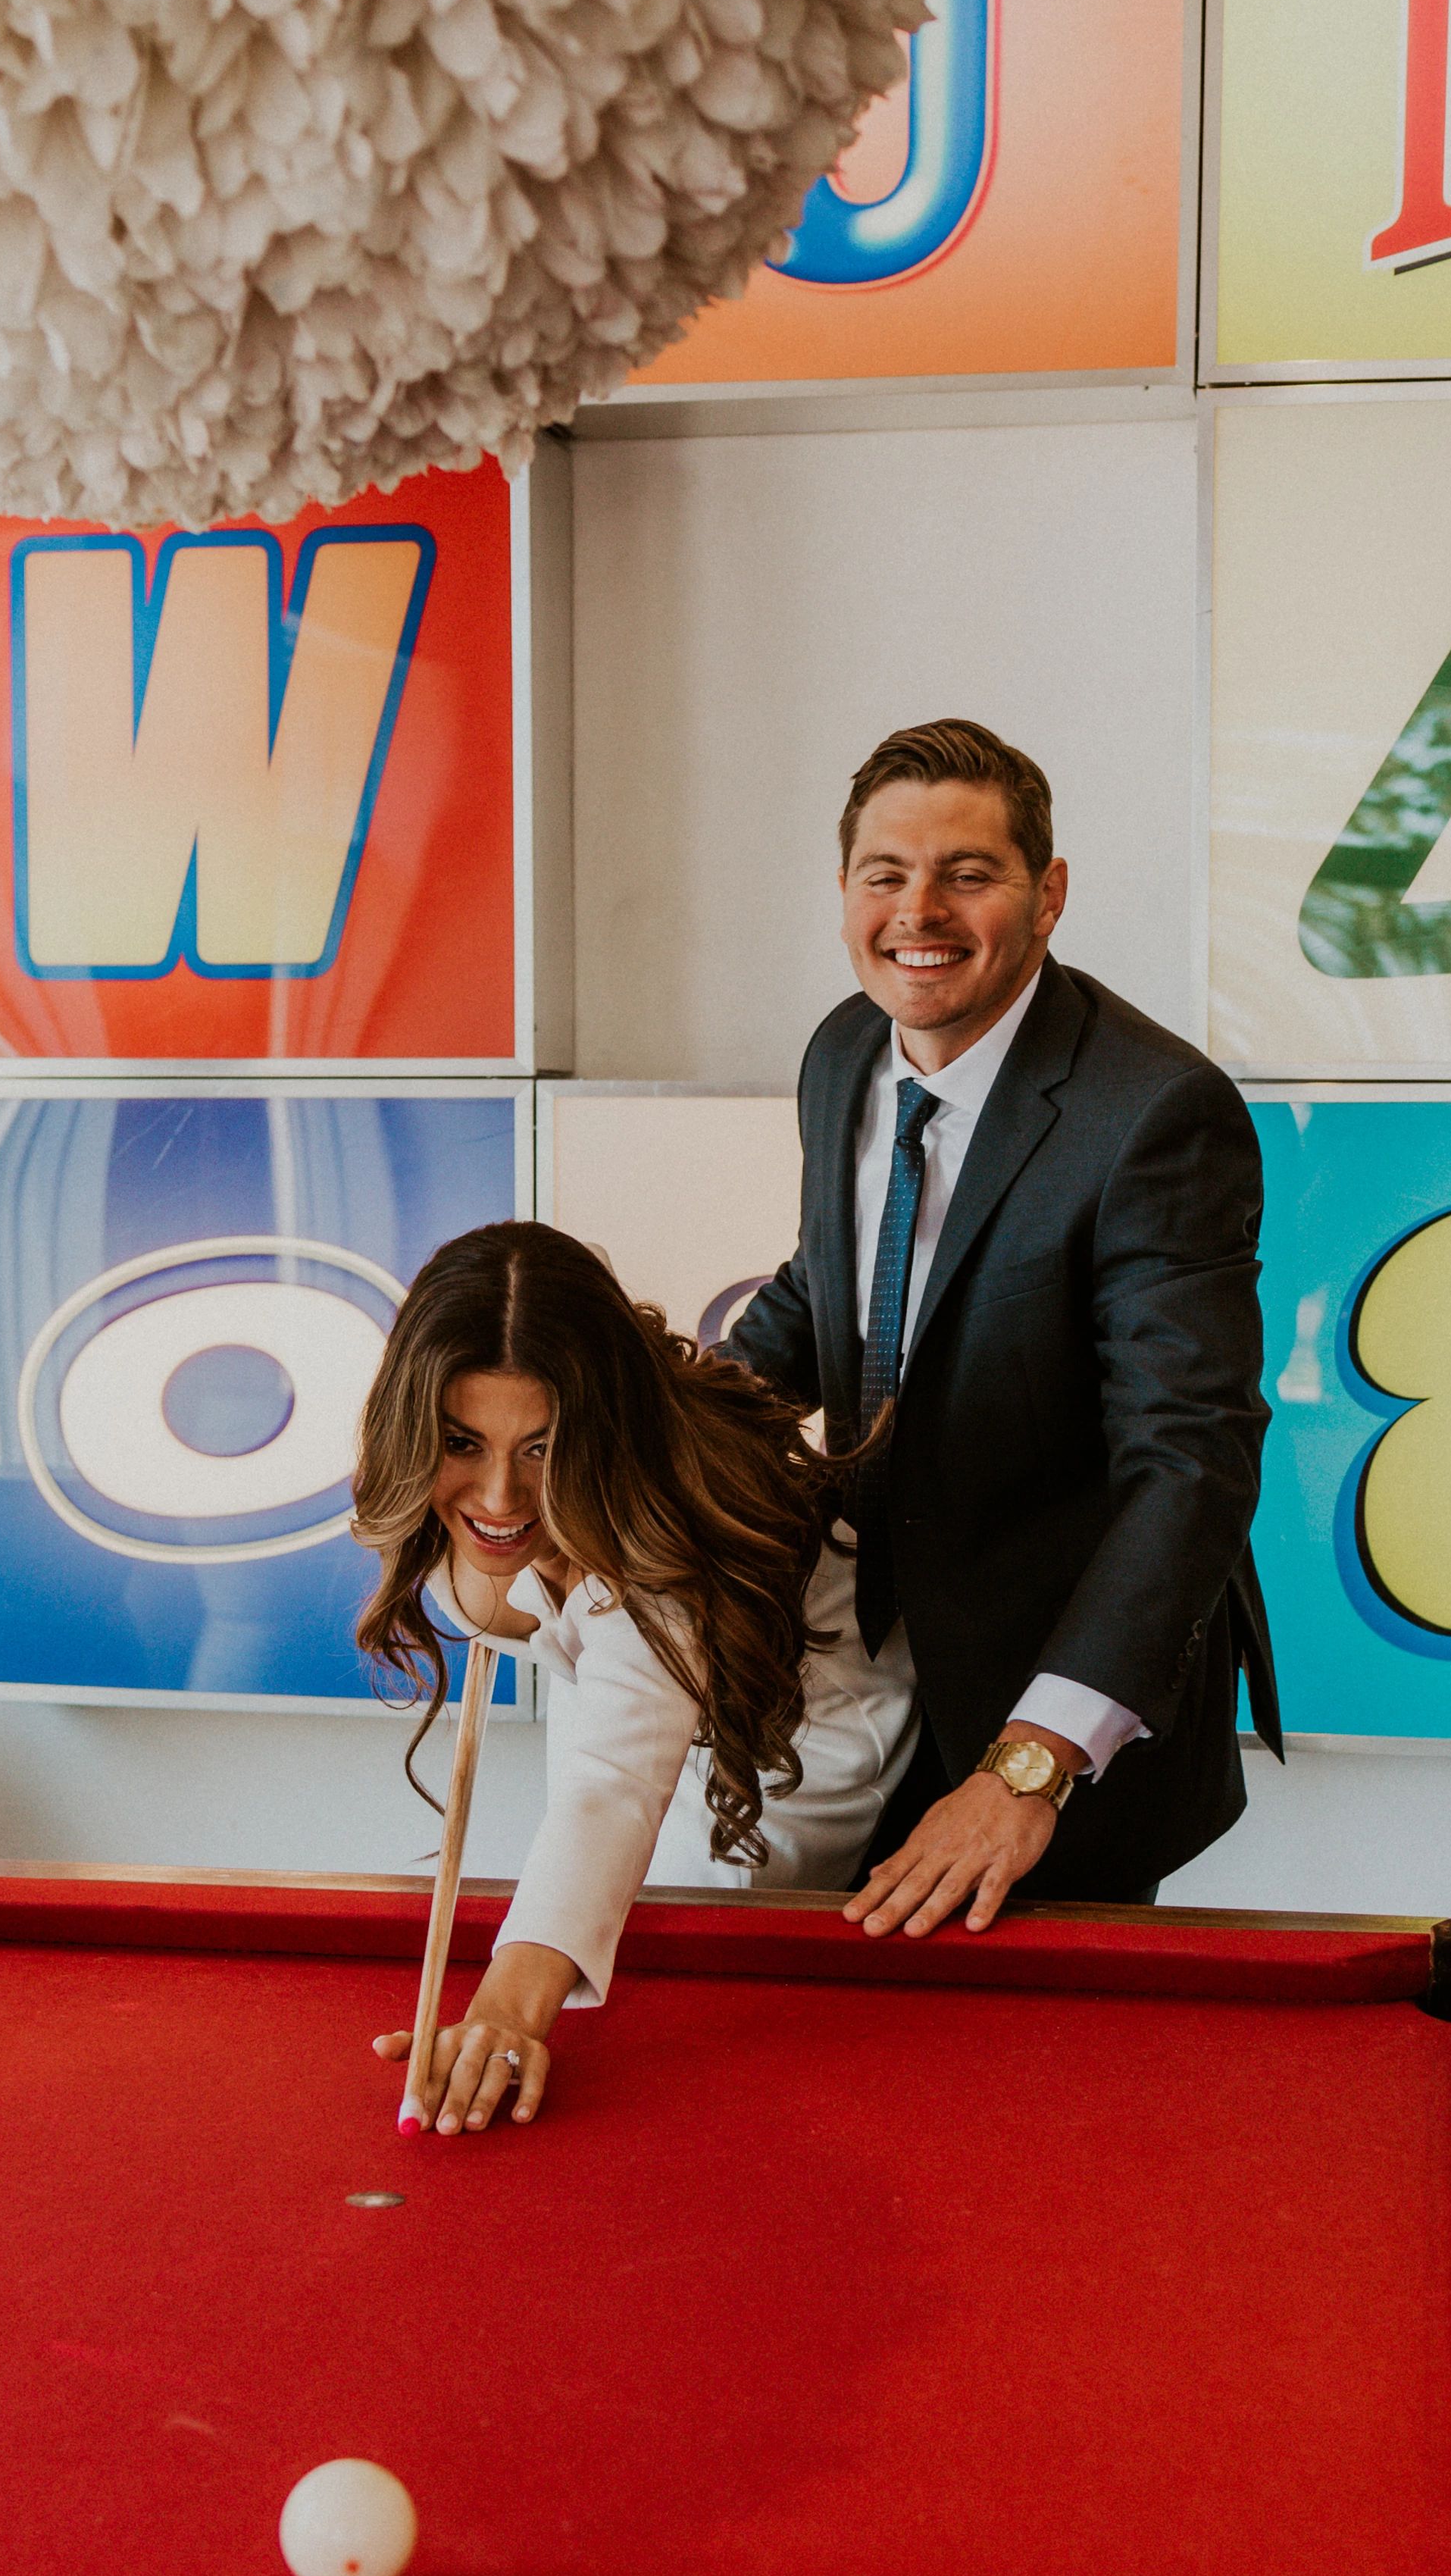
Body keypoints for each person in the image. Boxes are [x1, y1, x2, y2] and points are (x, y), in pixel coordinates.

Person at [728, 715, 1280, 1936]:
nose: (918, 912)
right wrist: (641, 1433)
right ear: (845, 892)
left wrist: (1032, 1764)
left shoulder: (1155, 1113)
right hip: (860, 1670)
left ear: (1048, 895)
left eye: (967, 874)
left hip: (1055, 1701)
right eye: (885, 875)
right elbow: (827, 1285)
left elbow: (1188, 1463)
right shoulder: (843, 1049)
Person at [350, 1222, 905, 2134]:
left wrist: (505, 2008)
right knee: (588, 1907)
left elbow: (611, 1786)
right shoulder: (498, 1508)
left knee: (686, 1971)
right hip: (626, 1667)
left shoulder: (658, 1552)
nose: (499, 1496)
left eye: (542, 1446)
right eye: (463, 1441)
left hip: (790, 1735)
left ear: (600, 1429)